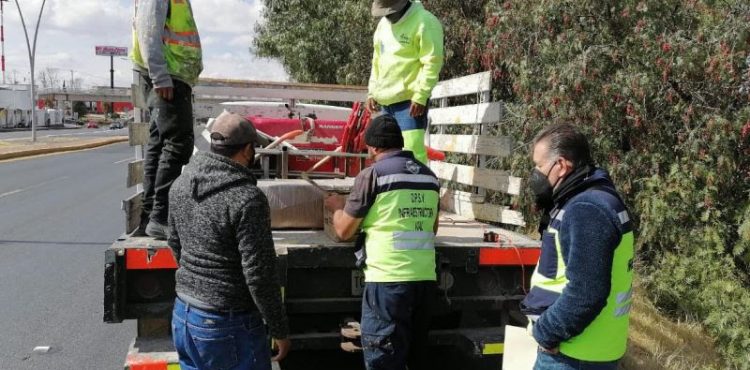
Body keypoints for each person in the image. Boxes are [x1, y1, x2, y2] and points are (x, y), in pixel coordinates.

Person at [167, 112, 291, 370]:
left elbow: (175, 242)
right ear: (247, 150)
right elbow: (259, 274)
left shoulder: (180, 184)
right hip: (227, 325)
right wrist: (279, 329)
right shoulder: (247, 198)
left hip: (184, 316)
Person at [324, 115, 440, 370]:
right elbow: (433, 227)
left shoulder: (372, 175)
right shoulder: (429, 177)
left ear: (374, 147)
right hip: (425, 281)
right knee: (416, 357)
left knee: (384, 360)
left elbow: (344, 230)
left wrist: (336, 207)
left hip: (388, 281)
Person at [520, 124, 634, 370]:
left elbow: (587, 292)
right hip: (586, 352)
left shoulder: (586, 209)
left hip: (573, 355)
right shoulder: (593, 199)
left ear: (561, 165)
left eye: (539, 166)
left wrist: (546, 332)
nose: (535, 174)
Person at [132, 0, 203, 239]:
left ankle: (152, 215)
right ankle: (160, 217)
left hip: (171, 77)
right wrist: (160, 76)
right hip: (168, 78)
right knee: (178, 144)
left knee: (160, 143)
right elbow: (148, 29)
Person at [367, 0, 444, 165]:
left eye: (389, 12)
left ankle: (418, 189)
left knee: (412, 154)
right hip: (386, 103)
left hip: (409, 104)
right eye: (384, 13)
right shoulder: (383, 25)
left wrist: (421, 96)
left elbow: (432, 62)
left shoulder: (425, 22)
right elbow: (377, 61)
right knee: (385, 155)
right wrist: (372, 91)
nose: (387, 16)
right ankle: (391, 190)